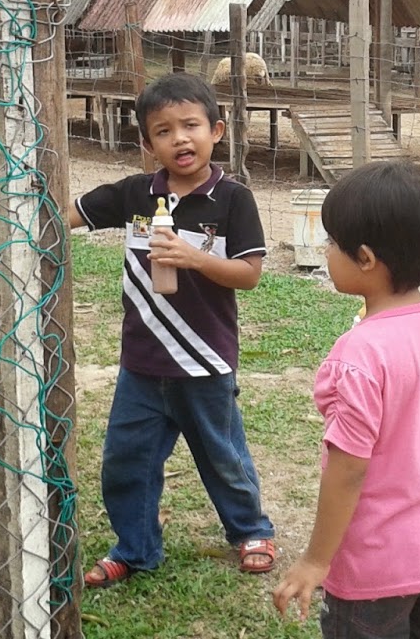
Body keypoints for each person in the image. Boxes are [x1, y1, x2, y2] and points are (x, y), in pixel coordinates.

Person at [65, 72, 276, 588]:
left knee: (222, 455)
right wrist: (22, 216)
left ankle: (251, 530)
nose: (179, 138)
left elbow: (248, 275)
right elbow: (66, 214)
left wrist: (194, 257)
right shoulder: (136, 194)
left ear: (217, 131)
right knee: (125, 461)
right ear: (147, 143)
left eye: (191, 126)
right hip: (141, 363)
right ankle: (135, 548)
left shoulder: (233, 199)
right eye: (163, 131)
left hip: (205, 361)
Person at [272, 161, 420, 639]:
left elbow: (349, 467)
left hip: (376, 562)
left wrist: (315, 559)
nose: (325, 252)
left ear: (364, 258)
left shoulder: (360, 353)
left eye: (330, 242)